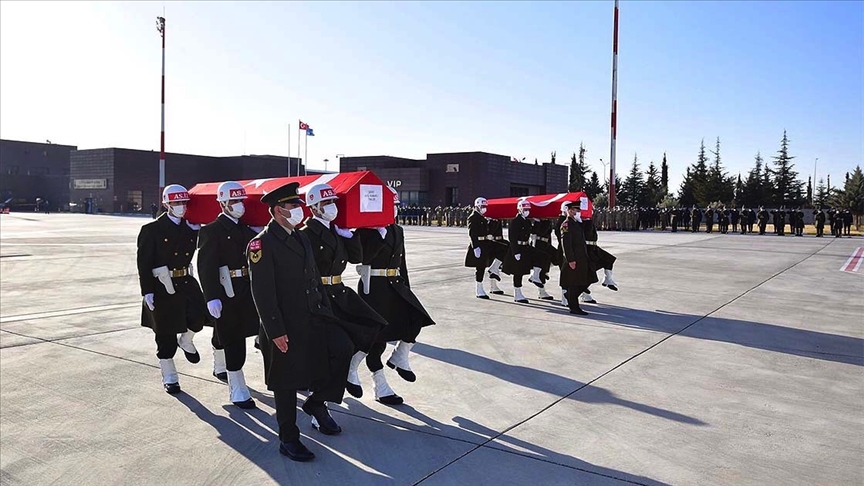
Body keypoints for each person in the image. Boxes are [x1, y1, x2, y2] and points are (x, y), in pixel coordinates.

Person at [247, 181, 354, 461]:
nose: (298, 210)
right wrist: (275, 331)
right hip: (284, 324)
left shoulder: (299, 236)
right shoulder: (262, 243)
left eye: (298, 204)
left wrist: (325, 311)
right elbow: (263, 292)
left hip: (313, 317)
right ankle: (289, 439)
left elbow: (312, 279)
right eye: (292, 205)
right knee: (285, 382)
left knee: (343, 348)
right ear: (277, 210)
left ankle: (316, 402)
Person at [299, 183, 387, 401]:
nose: (331, 207)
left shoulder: (337, 229)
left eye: (333, 202)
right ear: (314, 207)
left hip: (339, 290)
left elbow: (357, 258)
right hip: (319, 295)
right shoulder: (306, 234)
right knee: (331, 348)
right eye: (326, 203)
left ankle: (351, 369)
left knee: (374, 326)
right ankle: (319, 398)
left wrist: (349, 236)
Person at [354, 187, 435, 405]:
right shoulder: (366, 229)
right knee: (376, 339)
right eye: (391, 207)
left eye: (396, 207)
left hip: (395, 285)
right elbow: (363, 258)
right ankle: (380, 385)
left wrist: (407, 288)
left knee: (416, 317)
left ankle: (400, 356)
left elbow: (402, 262)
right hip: (374, 288)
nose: (394, 211)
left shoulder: (398, 230)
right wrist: (378, 235)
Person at [136, 184, 206, 394]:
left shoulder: (191, 228)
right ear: (166, 204)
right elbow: (144, 262)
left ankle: (186, 340)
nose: (181, 207)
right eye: (176, 203)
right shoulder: (151, 230)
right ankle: (170, 376)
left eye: (184, 202)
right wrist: (147, 291)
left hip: (185, 280)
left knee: (200, 316)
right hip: (161, 286)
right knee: (165, 334)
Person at [196, 181, 259, 409]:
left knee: (237, 331)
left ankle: (219, 356)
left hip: (246, 288)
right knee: (234, 337)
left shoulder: (246, 230)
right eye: (234, 201)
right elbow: (206, 266)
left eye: (241, 201)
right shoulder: (211, 230)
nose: (239, 205)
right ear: (222, 203)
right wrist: (211, 296)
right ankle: (237, 386)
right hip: (225, 290)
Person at [559, 202, 598, 315]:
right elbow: (566, 243)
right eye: (577, 210)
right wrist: (570, 259)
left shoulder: (576, 223)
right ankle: (574, 307)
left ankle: (571, 296)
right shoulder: (566, 224)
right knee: (575, 282)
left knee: (588, 278)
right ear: (570, 211)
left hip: (582, 257)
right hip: (574, 259)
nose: (578, 213)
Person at [501, 199, 534, 303]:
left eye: (528, 209)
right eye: (525, 209)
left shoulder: (527, 221)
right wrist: (515, 252)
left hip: (525, 248)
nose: (527, 211)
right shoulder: (515, 221)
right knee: (517, 272)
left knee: (523, 270)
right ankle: (517, 293)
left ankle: (534, 277)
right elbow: (512, 238)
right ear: (520, 209)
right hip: (518, 248)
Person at [464, 197, 493, 299]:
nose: (484, 208)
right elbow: (472, 233)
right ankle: (479, 289)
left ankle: (482, 287)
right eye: (482, 206)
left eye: (485, 206)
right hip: (478, 245)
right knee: (480, 268)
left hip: (484, 244)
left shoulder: (481, 217)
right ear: (477, 206)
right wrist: (475, 247)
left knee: (483, 266)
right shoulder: (473, 217)